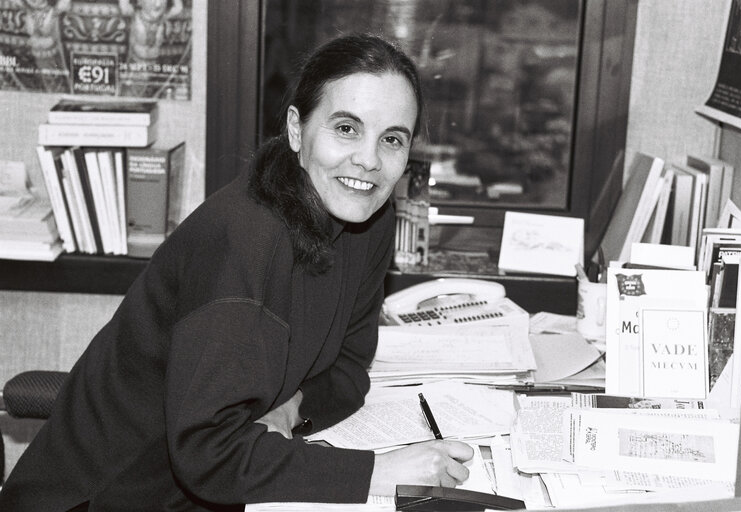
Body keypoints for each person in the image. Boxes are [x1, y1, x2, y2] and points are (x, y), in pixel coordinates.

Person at [0, 33, 474, 511]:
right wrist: (383, 472)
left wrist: (291, 410)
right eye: (346, 129)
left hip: (217, 490)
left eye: (392, 139)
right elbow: (208, 455)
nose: (369, 161)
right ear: (296, 129)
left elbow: (349, 369)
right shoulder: (245, 239)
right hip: (110, 498)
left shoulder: (369, 218)